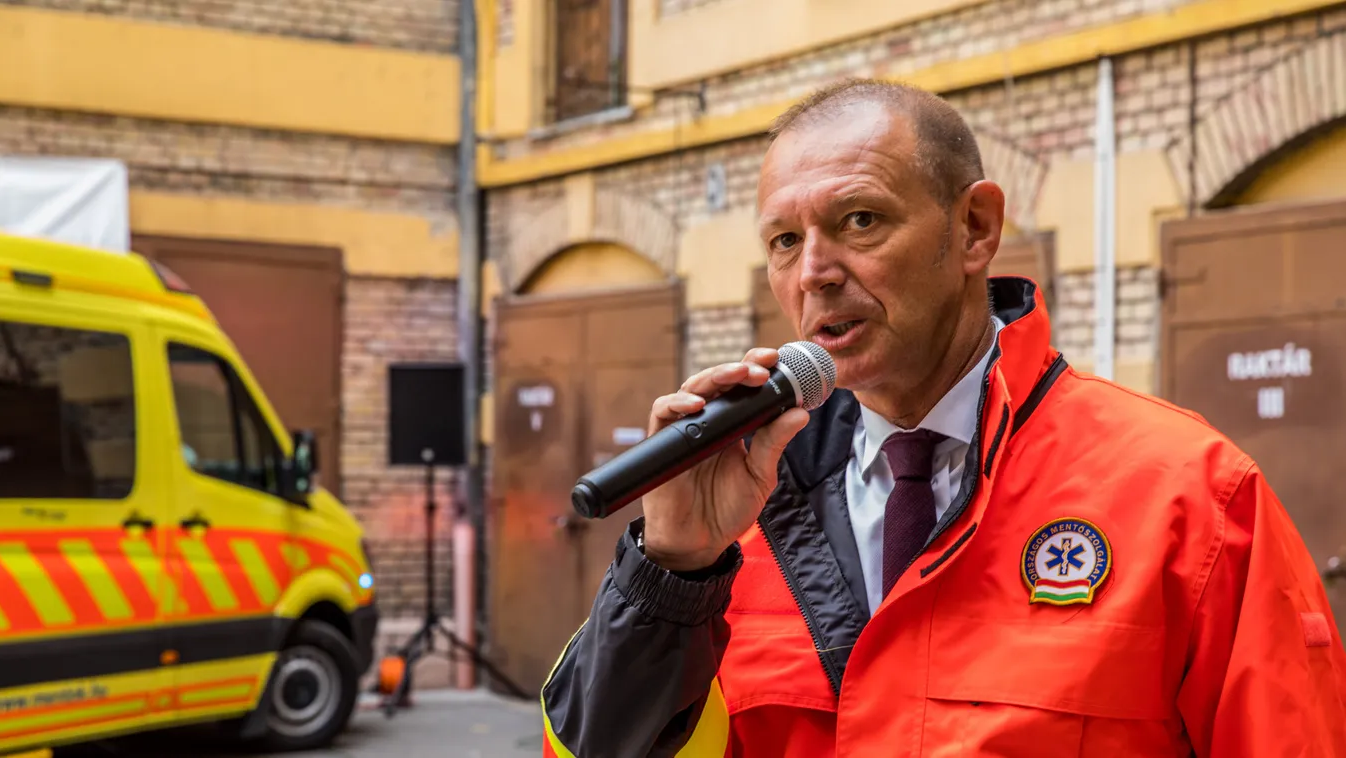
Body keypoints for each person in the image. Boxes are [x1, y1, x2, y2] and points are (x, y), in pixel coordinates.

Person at [537, 78, 1346, 757]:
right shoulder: (729, 516)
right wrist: (672, 572)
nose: (814, 273)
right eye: (785, 240)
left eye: (859, 220)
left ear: (974, 229)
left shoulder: (1189, 496)